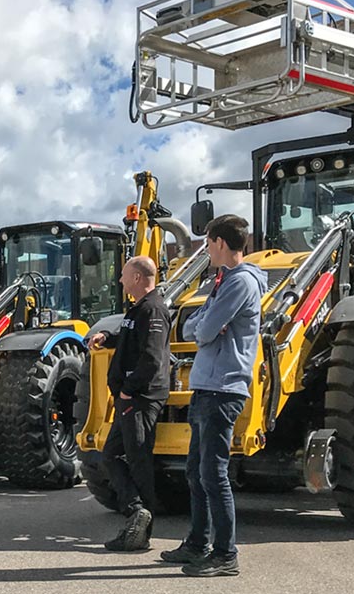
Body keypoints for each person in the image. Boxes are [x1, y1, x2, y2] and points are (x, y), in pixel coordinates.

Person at [161, 214, 267, 578]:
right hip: (207, 386)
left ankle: (225, 554)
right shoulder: (221, 282)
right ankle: (197, 543)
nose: (205, 249)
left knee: (213, 473)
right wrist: (204, 326)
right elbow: (196, 325)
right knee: (196, 471)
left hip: (223, 388)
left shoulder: (240, 284)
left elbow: (203, 330)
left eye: (207, 242)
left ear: (220, 242)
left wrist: (205, 327)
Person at [86, 256, 170, 552]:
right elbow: (128, 338)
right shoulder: (138, 310)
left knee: (138, 462)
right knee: (110, 454)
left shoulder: (154, 310)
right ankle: (136, 512)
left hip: (140, 398)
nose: (120, 281)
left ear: (137, 278)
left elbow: (151, 358)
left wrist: (128, 391)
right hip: (130, 398)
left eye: (123, 275)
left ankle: (140, 530)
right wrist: (106, 337)